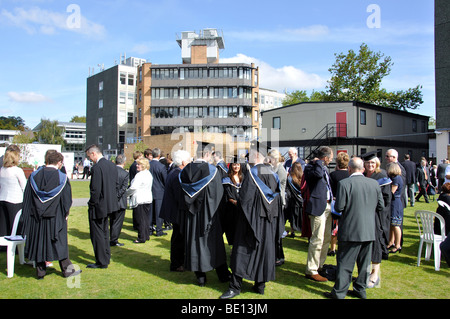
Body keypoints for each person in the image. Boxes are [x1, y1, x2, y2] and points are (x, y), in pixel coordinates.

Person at [220, 140, 282, 299]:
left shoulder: (252, 174)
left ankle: (235, 287)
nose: (247, 159)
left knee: (241, 253)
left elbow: (244, 201)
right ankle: (260, 285)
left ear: (256, 155)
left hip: (250, 222)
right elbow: (277, 201)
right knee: (263, 253)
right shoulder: (272, 174)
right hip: (267, 222)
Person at [324, 157, 384, 299]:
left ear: (349, 169)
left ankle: (339, 292)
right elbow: (381, 206)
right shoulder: (374, 184)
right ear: (363, 169)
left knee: (345, 263)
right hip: (368, 230)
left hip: (350, 230)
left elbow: (339, 207)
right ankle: (360, 289)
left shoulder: (345, 183)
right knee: (364, 264)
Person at [21, 150, 81, 279]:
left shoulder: (34, 176)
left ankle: (40, 271)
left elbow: (28, 197)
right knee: (60, 243)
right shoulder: (62, 178)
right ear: (59, 162)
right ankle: (67, 270)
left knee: (39, 241)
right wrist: (66, 213)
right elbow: (66, 200)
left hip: (37, 216)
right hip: (56, 216)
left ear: (47, 160)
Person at [179, 146, 231, 287]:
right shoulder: (212, 171)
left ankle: (200, 278)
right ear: (207, 153)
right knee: (213, 243)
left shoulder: (185, 171)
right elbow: (218, 195)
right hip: (209, 216)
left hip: (191, 217)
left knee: (194, 243)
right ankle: (222, 275)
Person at [85, 144, 119, 269]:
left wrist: (92, 203)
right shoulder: (111, 165)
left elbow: (95, 189)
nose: (90, 159)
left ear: (93, 153)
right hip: (109, 204)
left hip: (99, 205)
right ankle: (105, 256)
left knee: (97, 233)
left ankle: (101, 260)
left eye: (89, 157)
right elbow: (115, 184)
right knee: (104, 232)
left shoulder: (97, 167)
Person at [303, 146, 334, 282]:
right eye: (330, 158)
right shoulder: (312, 167)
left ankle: (319, 265)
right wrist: (319, 163)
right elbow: (317, 175)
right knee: (317, 239)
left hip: (327, 206)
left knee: (326, 238)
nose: (331, 161)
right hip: (317, 207)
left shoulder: (323, 168)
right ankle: (311, 270)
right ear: (325, 158)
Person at [362, 151, 392, 288]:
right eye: (367, 162)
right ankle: (365, 272)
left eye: (372, 163)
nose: (370, 165)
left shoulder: (382, 176)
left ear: (377, 164)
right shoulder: (362, 175)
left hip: (376, 216)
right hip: (363, 215)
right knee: (364, 244)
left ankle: (374, 275)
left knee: (375, 244)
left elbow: (386, 199)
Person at [160, 150, 190, 272]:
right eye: (188, 160)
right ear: (183, 162)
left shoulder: (174, 172)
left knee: (178, 237)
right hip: (177, 212)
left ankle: (178, 262)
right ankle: (177, 264)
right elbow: (180, 197)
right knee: (179, 239)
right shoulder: (178, 174)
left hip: (175, 211)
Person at [0, 145, 27, 238]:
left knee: (3, 225)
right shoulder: (17, 170)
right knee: (15, 225)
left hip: (2, 199)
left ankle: (2, 245)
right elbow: (24, 187)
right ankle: (15, 246)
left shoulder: (2, 170)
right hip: (15, 200)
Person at [267, 149, 287, 266]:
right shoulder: (274, 168)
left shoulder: (280, 170)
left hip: (278, 203)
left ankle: (279, 256)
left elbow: (276, 187)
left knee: (277, 231)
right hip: (275, 202)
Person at [126, 157, 153, 243]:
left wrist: (126, 194)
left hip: (140, 199)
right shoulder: (148, 174)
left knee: (140, 219)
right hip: (147, 198)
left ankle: (141, 237)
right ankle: (146, 235)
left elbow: (133, 187)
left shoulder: (139, 175)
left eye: (139, 164)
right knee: (145, 218)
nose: (137, 166)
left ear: (143, 165)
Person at [328, 152, 350, 256]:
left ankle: (332, 248)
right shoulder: (350, 175)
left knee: (334, 227)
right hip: (348, 204)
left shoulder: (333, 175)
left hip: (336, 203)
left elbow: (330, 190)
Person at [221, 158, 244, 246]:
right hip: (231, 208)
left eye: (238, 164)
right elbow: (227, 193)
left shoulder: (243, 177)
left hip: (241, 208)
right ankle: (233, 248)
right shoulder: (227, 179)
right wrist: (234, 202)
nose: (236, 166)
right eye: (234, 164)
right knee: (232, 228)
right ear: (231, 166)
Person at [110, 154, 129, 247]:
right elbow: (123, 188)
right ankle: (114, 239)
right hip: (120, 201)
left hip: (110, 200)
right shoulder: (125, 174)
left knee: (111, 220)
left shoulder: (110, 172)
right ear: (124, 163)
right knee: (117, 222)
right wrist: (116, 196)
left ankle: (111, 237)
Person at [149, 148, 168, 236]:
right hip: (159, 191)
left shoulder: (148, 165)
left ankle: (150, 229)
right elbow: (165, 180)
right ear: (159, 155)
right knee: (158, 212)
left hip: (149, 190)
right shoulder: (161, 166)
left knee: (150, 212)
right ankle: (159, 230)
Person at [386, 162, 404, 254]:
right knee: (392, 224)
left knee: (396, 224)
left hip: (395, 202)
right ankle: (391, 242)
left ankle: (397, 245)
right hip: (394, 202)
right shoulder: (395, 178)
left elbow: (392, 192)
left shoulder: (396, 178)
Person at [285, 161, 304, 238]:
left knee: (292, 218)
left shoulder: (290, 178)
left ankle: (292, 232)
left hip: (293, 201)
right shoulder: (303, 178)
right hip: (301, 200)